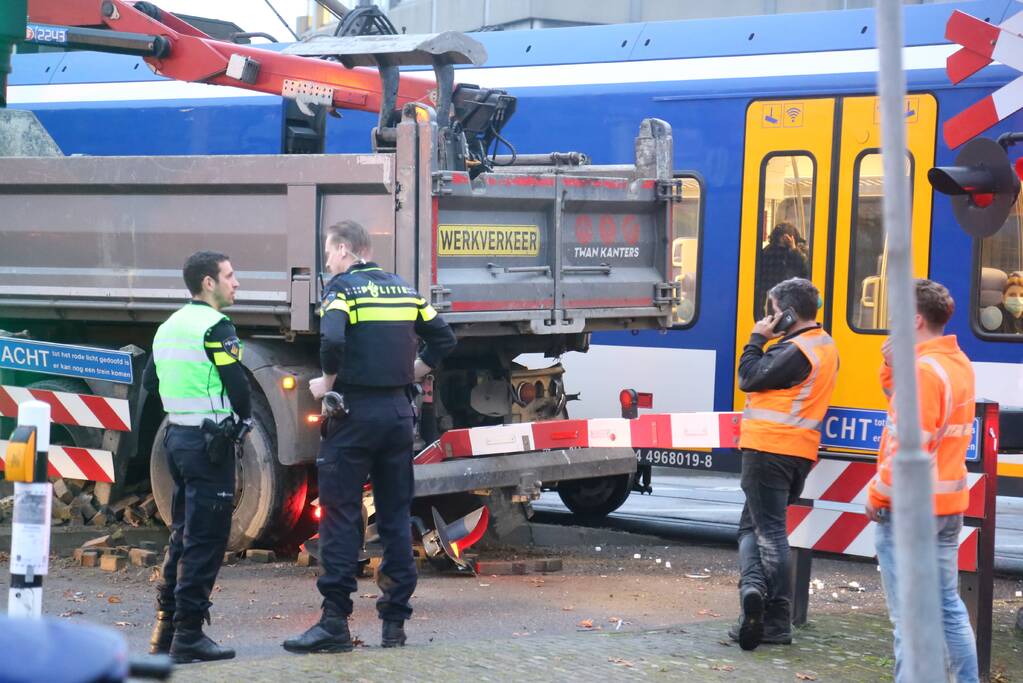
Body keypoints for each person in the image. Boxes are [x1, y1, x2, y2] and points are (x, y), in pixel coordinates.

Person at [284, 220, 456, 654]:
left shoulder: (342, 290)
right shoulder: (404, 289)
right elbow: (443, 337)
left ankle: (334, 624)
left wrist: (327, 383)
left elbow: (332, 339)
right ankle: (394, 624)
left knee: (342, 517)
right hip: (399, 415)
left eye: (328, 252)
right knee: (395, 517)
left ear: (345, 249)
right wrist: (414, 372)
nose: (327, 261)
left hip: (354, 414)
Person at [866, 279, 979, 683]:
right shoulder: (954, 363)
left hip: (911, 512)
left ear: (914, 319)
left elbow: (908, 444)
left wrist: (879, 495)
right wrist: (893, 366)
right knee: (947, 606)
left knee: (910, 621)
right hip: (947, 507)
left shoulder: (924, 373)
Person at [143, 251, 251, 663]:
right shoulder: (215, 327)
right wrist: (242, 420)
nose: (236, 282)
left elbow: (152, 382)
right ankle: (189, 635)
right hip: (209, 445)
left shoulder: (169, 325)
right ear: (209, 283)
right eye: (229, 275)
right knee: (206, 540)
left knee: (183, 533)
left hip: (177, 439)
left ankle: (164, 630)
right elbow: (237, 386)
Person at [730, 277, 838, 651]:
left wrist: (756, 339)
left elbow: (748, 377)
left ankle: (772, 613)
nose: (768, 317)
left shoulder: (796, 350)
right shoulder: (823, 345)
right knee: (754, 527)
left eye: (771, 310)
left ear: (788, 313)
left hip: (768, 451)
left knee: (766, 532)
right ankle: (755, 602)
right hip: (797, 453)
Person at [754, 223, 810, 318]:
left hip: (795, 297)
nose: (782, 250)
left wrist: (793, 250)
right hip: (774, 297)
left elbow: (805, 271)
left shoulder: (801, 252)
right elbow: (761, 284)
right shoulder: (769, 253)